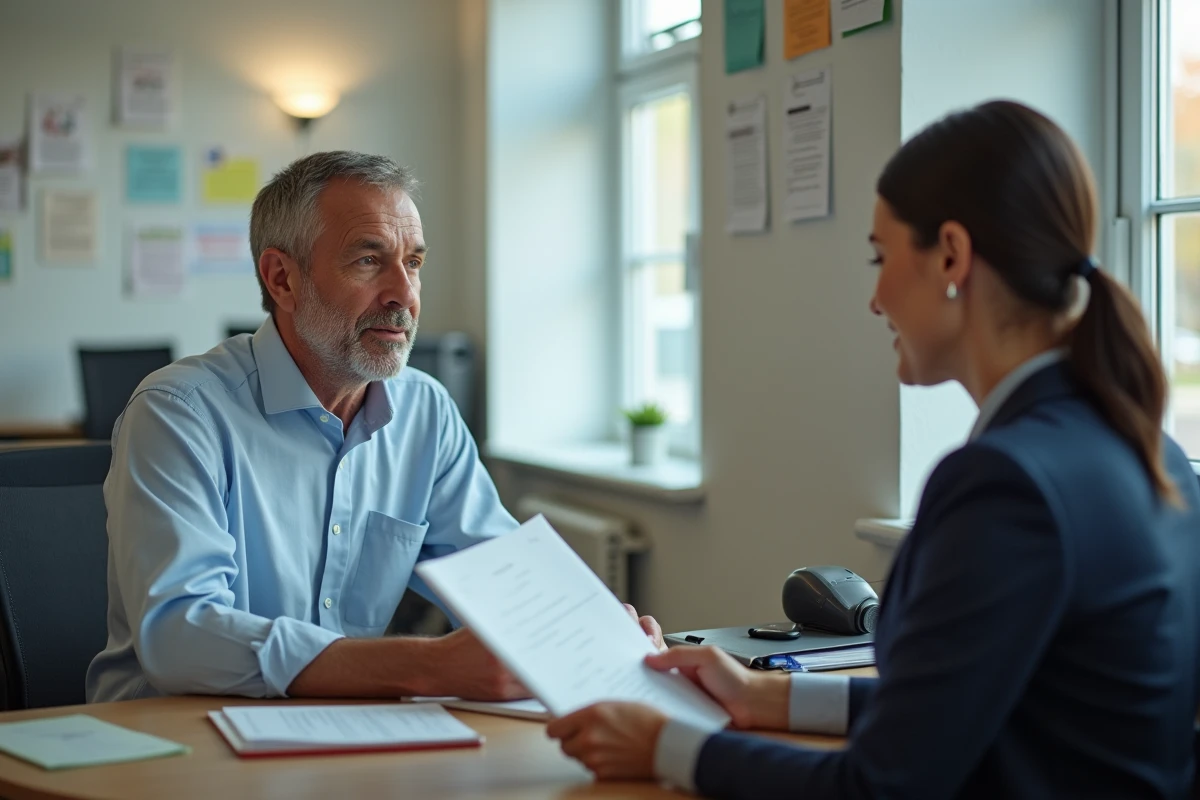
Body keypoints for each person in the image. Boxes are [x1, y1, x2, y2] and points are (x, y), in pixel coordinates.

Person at [547, 101, 1200, 797]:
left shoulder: (1004, 482)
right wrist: (765, 697)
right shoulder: (1154, 453)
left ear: (951, 255)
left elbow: (882, 787)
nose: (874, 297)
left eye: (880, 256)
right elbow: (978, 714)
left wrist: (670, 749)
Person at [87, 151, 662, 703]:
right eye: (368, 260)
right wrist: (431, 665)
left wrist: (600, 637)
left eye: (412, 262)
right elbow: (180, 636)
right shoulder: (179, 412)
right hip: (170, 744)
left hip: (348, 730)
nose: (404, 295)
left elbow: (504, 579)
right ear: (282, 279)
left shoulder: (425, 413)